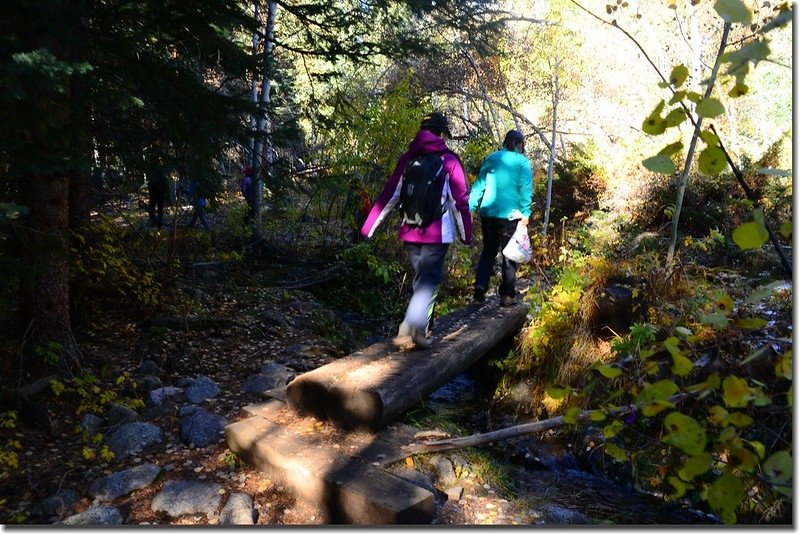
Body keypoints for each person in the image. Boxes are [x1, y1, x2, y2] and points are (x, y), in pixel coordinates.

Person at [361, 111, 472, 349]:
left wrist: (368, 228)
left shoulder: (407, 159)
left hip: (410, 230)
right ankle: (416, 327)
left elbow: (389, 195)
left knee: (421, 278)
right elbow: (460, 201)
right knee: (429, 279)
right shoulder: (450, 161)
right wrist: (466, 234)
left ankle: (413, 326)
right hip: (437, 233)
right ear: (442, 134)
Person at [468, 129, 533, 307]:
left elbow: (479, 185)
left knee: (488, 250)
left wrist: (471, 207)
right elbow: (525, 189)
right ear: (520, 145)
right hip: (510, 215)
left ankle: (479, 289)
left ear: (505, 142)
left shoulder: (492, 158)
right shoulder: (522, 162)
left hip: (488, 213)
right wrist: (526, 213)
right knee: (509, 254)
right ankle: (507, 295)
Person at [147, 162, 168, 229]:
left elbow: (165, 188)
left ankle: (158, 223)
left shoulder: (161, 178)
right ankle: (157, 222)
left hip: (158, 196)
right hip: (156, 196)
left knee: (157, 210)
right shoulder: (155, 178)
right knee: (156, 210)